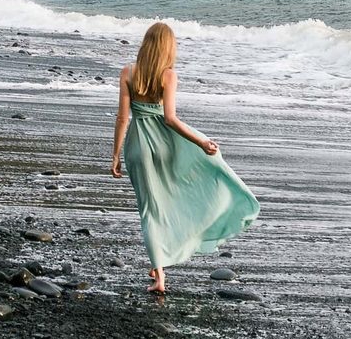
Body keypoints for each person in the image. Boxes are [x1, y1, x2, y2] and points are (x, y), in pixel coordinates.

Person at [111, 22, 259, 293]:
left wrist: (116, 155)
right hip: (165, 146)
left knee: (149, 210)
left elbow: (123, 118)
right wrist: (201, 141)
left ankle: (159, 273)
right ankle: (166, 257)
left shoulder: (128, 73)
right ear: (167, 47)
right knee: (172, 197)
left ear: (146, 44)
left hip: (137, 147)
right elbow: (170, 119)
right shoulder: (168, 76)